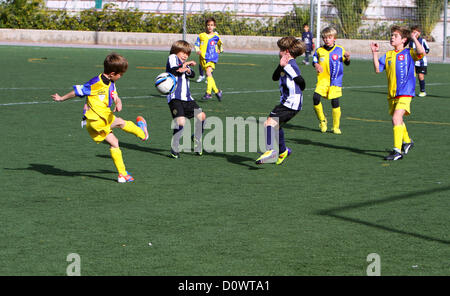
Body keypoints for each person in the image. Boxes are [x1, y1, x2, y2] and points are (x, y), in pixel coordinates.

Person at [52, 53, 149, 183]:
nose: (121, 76)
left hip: (99, 119)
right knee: (120, 123)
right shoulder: (95, 82)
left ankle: (122, 174)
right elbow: (77, 91)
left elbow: (114, 95)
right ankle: (142, 133)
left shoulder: (111, 82)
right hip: (97, 119)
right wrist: (61, 98)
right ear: (113, 73)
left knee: (115, 141)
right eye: (121, 74)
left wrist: (118, 102)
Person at [371, 25, 425, 161]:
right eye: (392, 35)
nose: (392, 37)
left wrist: (414, 38)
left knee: (395, 118)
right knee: (398, 119)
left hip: (406, 92)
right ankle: (407, 141)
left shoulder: (409, 53)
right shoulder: (388, 55)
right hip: (392, 94)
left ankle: (397, 151)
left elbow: (422, 52)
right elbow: (378, 69)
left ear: (403, 40)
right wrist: (375, 53)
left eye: (395, 36)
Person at [255, 36, 306, 165]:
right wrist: (281, 65)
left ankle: (271, 151)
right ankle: (283, 151)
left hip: (291, 103)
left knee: (268, 124)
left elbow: (302, 83)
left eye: (281, 50)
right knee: (276, 126)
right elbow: (274, 77)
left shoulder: (291, 66)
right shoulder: (285, 65)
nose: (279, 52)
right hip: (288, 103)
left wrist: (286, 67)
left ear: (287, 52)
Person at [166, 40, 207, 159]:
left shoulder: (185, 63)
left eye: (187, 54)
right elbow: (174, 70)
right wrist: (184, 65)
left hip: (187, 98)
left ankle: (196, 136)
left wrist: (188, 69)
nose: (185, 56)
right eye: (182, 53)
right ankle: (175, 147)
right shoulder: (172, 57)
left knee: (202, 116)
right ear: (175, 51)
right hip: (175, 98)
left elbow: (192, 74)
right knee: (181, 122)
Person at [311, 26, 350, 135]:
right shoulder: (319, 50)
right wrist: (316, 64)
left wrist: (347, 58)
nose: (327, 40)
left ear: (334, 38)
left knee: (335, 102)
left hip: (335, 81)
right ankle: (322, 121)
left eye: (330, 37)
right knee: (315, 98)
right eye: (325, 38)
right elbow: (314, 60)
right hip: (322, 80)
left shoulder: (340, 49)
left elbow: (346, 63)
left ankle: (335, 127)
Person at [197, 17, 224, 101]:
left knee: (208, 72)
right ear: (205, 26)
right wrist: (197, 50)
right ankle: (217, 91)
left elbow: (220, 44)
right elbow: (196, 44)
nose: (210, 27)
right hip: (203, 58)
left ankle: (208, 93)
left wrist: (220, 50)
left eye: (211, 25)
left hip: (212, 57)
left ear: (214, 26)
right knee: (209, 75)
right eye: (208, 25)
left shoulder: (216, 36)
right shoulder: (201, 35)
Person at [409, 25, 430, 97]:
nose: (413, 34)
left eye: (415, 32)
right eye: (412, 32)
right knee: (412, 76)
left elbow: (427, 49)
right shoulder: (411, 41)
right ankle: (411, 91)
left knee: (420, 76)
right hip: (413, 62)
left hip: (421, 62)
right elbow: (410, 50)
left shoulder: (422, 41)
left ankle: (422, 91)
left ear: (419, 33)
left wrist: (423, 53)